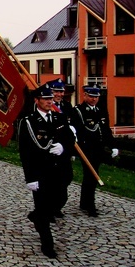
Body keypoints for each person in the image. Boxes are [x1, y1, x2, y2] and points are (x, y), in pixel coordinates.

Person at [18, 83, 76, 259]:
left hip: (58, 170)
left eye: (51, 98)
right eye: (46, 99)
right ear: (37, 101)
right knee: (43, 208)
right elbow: (25, 151)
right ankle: (47, 245)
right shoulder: (28, 122)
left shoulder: (59, 118)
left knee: (60, 199)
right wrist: (30, 177)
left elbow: (70, 138)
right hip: (40, 170)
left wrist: (64, 147)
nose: (50, 101)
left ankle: (36, 216)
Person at [71, 86, 118, 217]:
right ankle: (90, 205)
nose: (94, 99)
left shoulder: (101, 110)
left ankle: (84, 202)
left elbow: (106, 130)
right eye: (91, 96)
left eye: (96, 97)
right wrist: (74, 152)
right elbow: (76, 132)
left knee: (91, 175)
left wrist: (113, 146)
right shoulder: (78, 111)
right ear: (85, 96)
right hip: (86, 149)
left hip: (99, 148)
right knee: (91, 175)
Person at [48, 78, 75, 217]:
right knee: (53, 179)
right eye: (56, 91)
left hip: (65, 148)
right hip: (52, 148)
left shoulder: (67, 106)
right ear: (51, 91)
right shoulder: (47, 107)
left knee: (67, 177)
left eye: (61, 91)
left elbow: (71, 126)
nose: (59, 94)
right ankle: (52, 208)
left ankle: (58, 204)